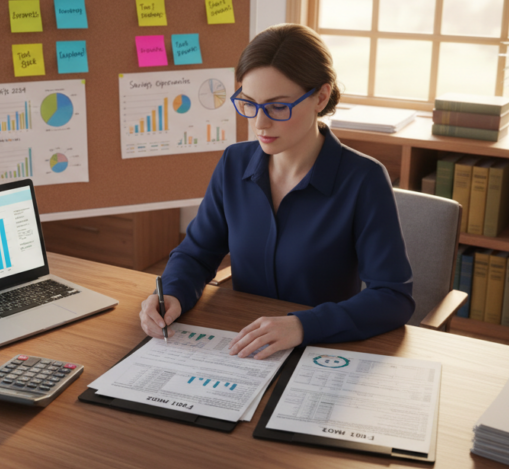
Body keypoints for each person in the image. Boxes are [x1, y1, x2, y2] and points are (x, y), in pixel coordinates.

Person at [138, 23, 414, 359]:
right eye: (249, 103)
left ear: (321, 97)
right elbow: (197, 254)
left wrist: (302, 325)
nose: (260, 123)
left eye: (278, 107)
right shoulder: (233, 163)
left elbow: (393, 296)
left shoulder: (364, 179)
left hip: (323, 350)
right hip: (242, 345)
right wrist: (172, 294)